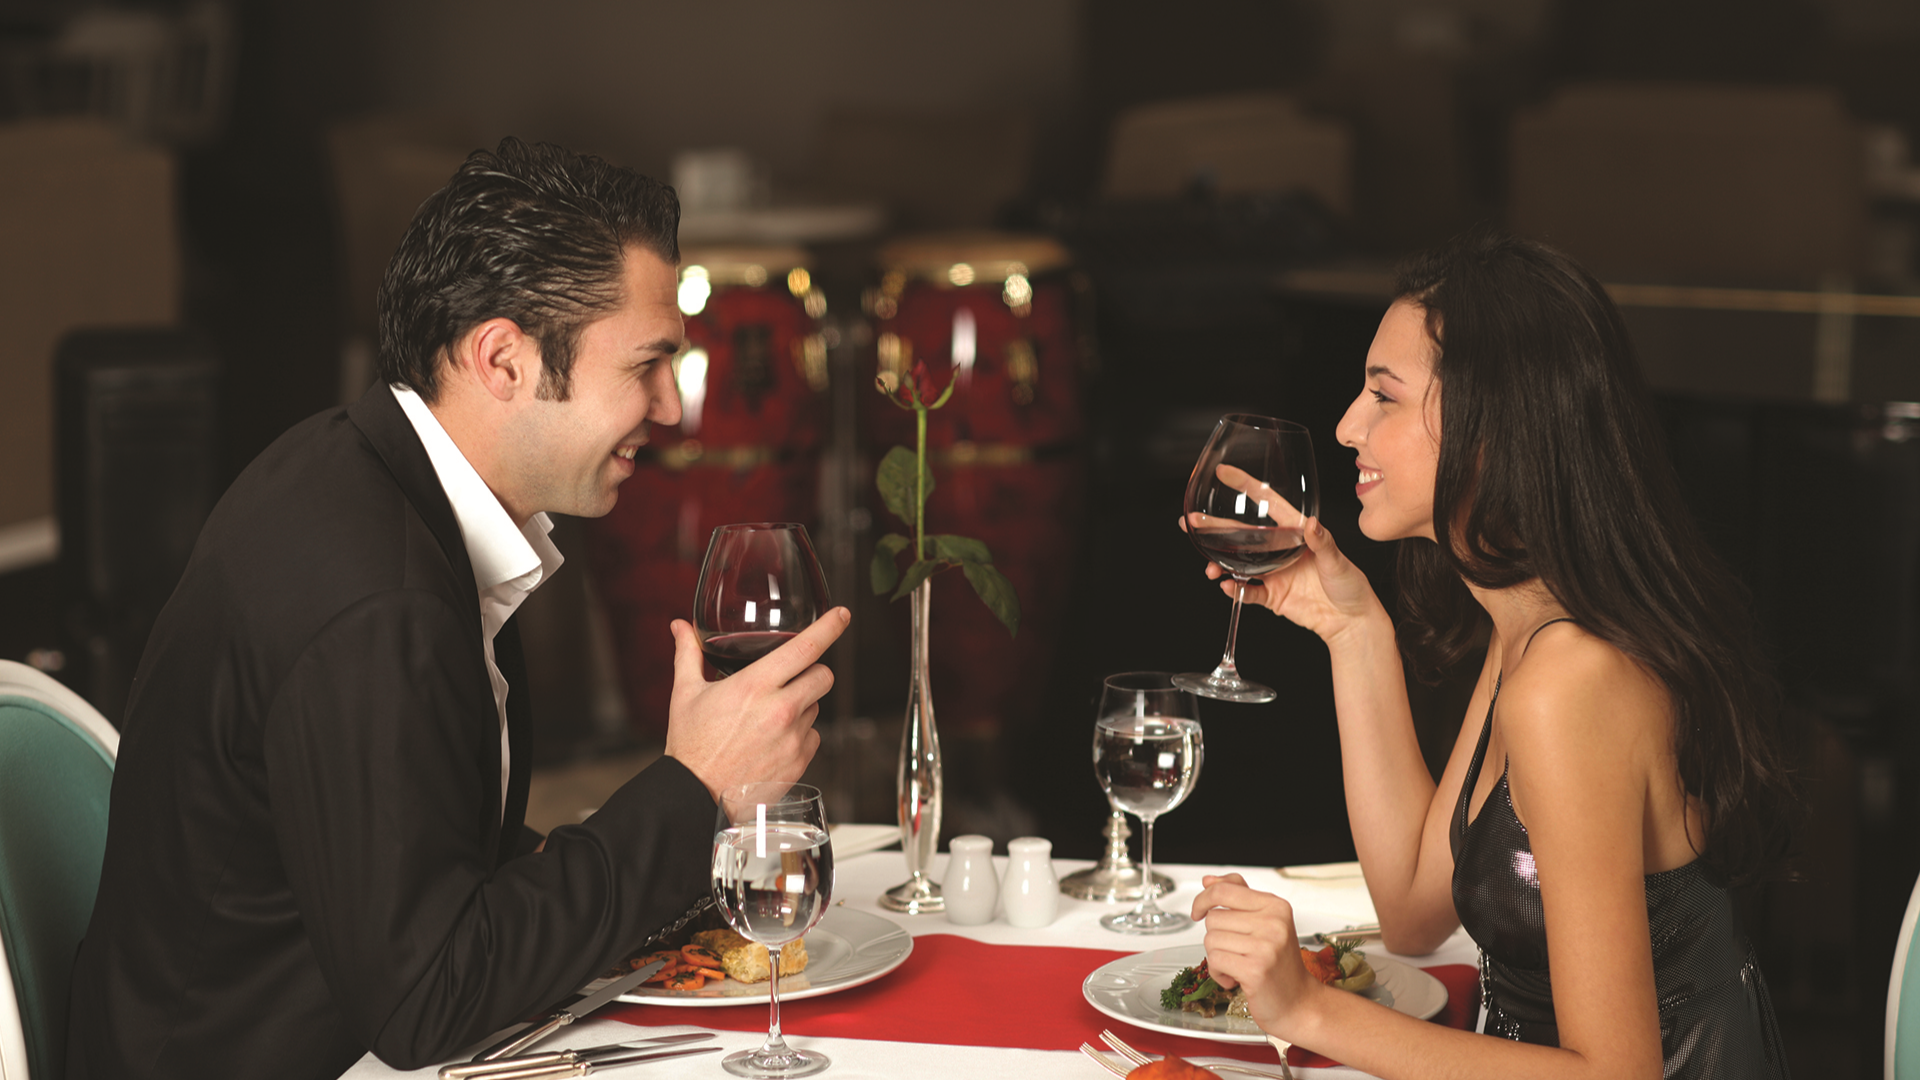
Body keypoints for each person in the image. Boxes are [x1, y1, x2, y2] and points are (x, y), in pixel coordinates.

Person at [66, 138, 849, 1080]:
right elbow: (426, 999)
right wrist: (695, 787)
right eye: (647, 364)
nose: (670, 407)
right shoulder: (377, 598)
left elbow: (442, 867)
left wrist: (685, 822)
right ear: (503, 359)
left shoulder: (357, 469)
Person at [1188, 233, 1796, 1079]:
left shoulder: (1568, 682)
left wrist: (1306, 1008)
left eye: (1384, 396)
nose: (1348, 426)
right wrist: (1353, 632)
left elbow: (1614, 1076)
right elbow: (1412, 912)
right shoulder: (1528, 628)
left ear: (1490, 426)